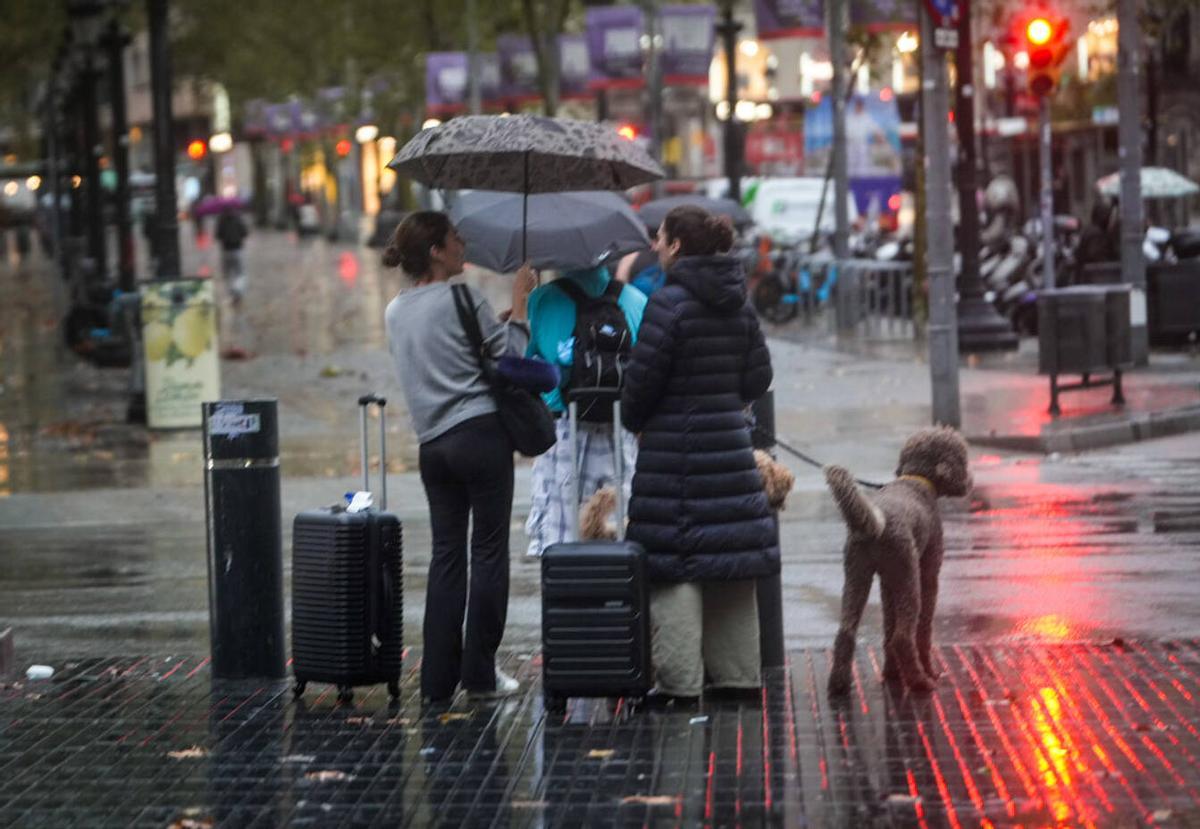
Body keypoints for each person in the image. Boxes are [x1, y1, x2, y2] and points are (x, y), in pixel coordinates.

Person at [621, 205, 778, 702]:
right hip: (730, 452)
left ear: (678, 246)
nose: (655, 247)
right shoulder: (739, 301)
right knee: (730, 562)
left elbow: (640, 388)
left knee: (677, 565)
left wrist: (638, 416)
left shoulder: (668, 304)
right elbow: (758, 378)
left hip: (675, 459)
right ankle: (738, 676)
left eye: (661, 239)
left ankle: (680, 683)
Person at [383, 211, 537, 704]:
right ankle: (480, 677)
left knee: (447, 557)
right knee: (488, 552)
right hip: (480, 436)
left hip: (433, 447)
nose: (462, 243)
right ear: (434, 250)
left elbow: (445, 355)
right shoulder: (461, 296)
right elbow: (512, 360)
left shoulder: (395, 310)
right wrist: (520, 302)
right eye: (454, 239)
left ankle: (436, 682)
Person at [523, 265, 647, 558]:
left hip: (563, 431)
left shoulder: (542, 299)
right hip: (620, 430)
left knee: (562, 534)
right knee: (620, 522)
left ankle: (568, 594)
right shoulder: (636, 299)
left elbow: (529, 367)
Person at [215, 207, 249, 302]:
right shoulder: (238, 218)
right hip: (237, 249)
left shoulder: (221, 220)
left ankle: (232, 290)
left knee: (227, 273)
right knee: (240, 272)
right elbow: (245, 232)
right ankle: (237, 288)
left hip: (225, 250)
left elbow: (218, 235)